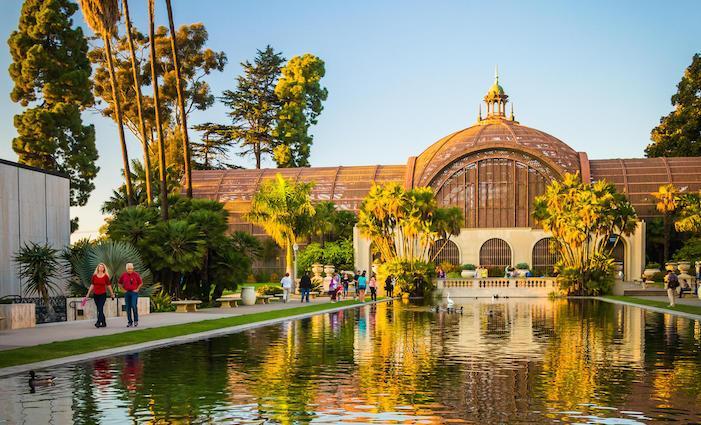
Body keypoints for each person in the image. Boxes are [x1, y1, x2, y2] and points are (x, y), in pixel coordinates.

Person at [84, 263, 115, 328]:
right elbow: (92, 285)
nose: (101, 268)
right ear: (98, 268)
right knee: (99, 309)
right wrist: (88, 293)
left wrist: (112, 294)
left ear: (104, 269)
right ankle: (103, 323)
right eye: (100, 267)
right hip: (96, 295)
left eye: (102, 267)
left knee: (100, 308)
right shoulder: (94, 276)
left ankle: (98, 322)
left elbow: (109, 286)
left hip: (103, 294)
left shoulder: (106, 276)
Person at [119, 263, 142, 328]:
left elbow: (140, 283)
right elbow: (119, 283)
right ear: (126, 269)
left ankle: (136, 320)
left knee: (134, 306)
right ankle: (130, 322)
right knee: (128, 308)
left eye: (131, 269)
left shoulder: (136, 275)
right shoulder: (124, 275)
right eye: (128, 269)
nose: (130, 270)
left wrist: (137, 289)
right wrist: (123, 290)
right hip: (127, 293)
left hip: (134, 293)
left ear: (133, 268)